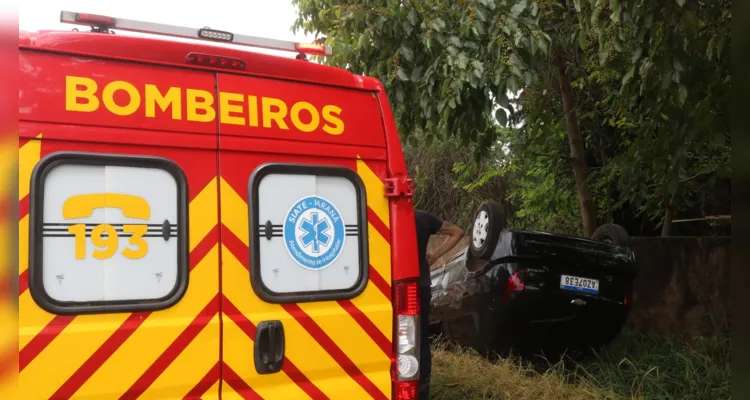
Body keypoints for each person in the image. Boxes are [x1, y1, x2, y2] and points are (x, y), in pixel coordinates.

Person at [413, 209, 464, 400]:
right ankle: (422, 391)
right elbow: (457, 232)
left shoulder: (381, 216)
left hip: (389, 285)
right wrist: (434, 255)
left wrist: (435, 254)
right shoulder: (422, 217)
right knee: (420, 338)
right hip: (420, 285)